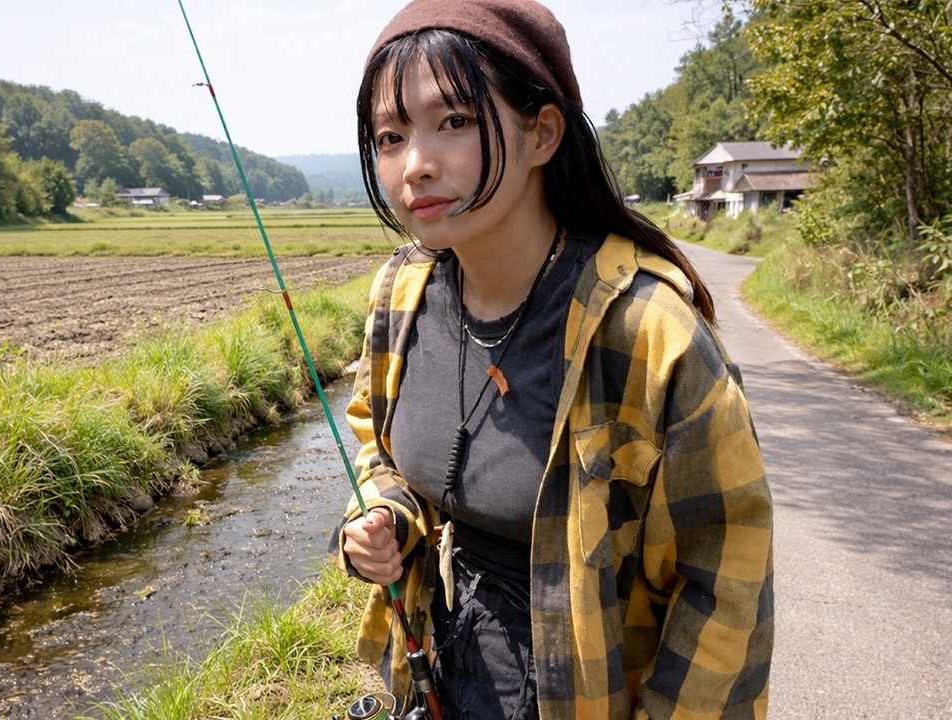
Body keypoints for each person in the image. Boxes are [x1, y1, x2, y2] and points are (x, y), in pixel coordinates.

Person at [327, 1, 774, 718]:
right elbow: (380, 449)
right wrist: (383, 518)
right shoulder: (401, 296)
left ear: (542, 132)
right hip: (445, 669)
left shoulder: (647, 332)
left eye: (455, 122)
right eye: (389, 135)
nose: (415, 165)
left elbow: (726, 583)